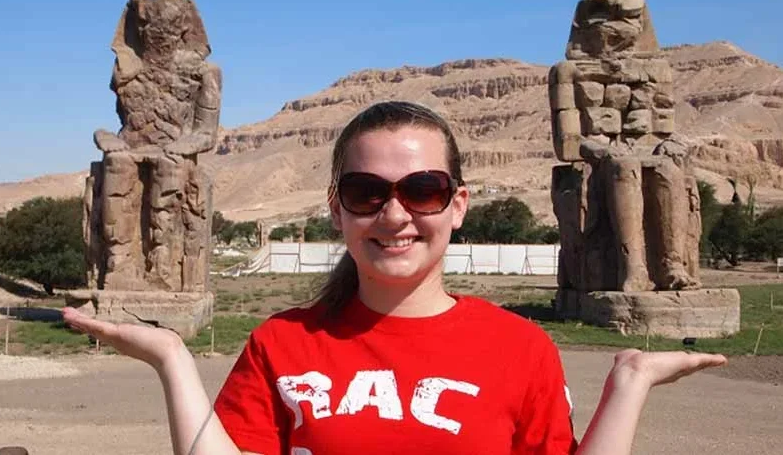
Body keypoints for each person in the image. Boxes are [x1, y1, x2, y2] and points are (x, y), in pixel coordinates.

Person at [63, 101, 727, 455]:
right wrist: (173, 361)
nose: (394, 214)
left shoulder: (518, 347)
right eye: (364, 191)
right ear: (337, 208)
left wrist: (630, 384)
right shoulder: (282, 344)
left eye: (423, 190)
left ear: (458, 205)